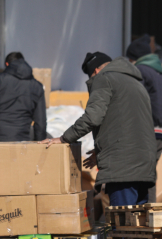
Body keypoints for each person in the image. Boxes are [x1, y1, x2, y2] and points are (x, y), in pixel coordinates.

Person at [43, 52, 156, 206]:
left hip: (122, 171)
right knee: (139, 226)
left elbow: (92, 117)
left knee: (122, 224)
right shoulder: (135, 83)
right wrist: (102, 151)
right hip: (145, 166)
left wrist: (63, 138)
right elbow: (126, 124)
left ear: (95, 71)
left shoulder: (104, 79)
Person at [126, 34, 162, 202]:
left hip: (149, 130)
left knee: (143, 175)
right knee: (149, 172)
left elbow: (136, 102)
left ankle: (148, 213)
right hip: (159, 131)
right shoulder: (156, 71)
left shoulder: (140, 72)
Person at [0, 52, 47, 142]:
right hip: (21, 137)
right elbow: (40, 122)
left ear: (7, 64)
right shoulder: (37, 86)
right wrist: (40, 145)